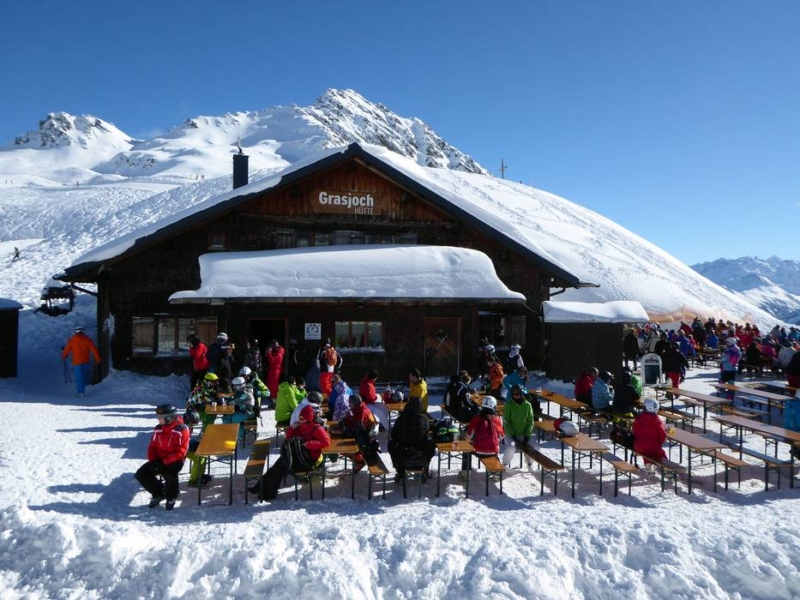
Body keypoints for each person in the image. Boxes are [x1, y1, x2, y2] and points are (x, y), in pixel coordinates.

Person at [249, 404, 331, 501]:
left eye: (302, 418)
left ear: (309, 419)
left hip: (307, 459)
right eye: (299, 418)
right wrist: (293, 428)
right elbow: (288, 438)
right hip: (296, 455)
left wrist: (309, 444)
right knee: (275, 467)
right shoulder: (299, 426)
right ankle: (259, 488)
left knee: (279, 469)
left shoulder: (316, 428)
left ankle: (268, 494)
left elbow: (326, 442)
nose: (300, 420)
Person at [135, 404, 190, 510]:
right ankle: (159, 492)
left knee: (169, 473)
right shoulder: (159, 428)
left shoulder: (182, 429)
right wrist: (153, 461)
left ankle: (171, 496)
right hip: (159, 459)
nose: (158, 419)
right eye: (158, 417)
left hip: (176, 459)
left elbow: (181, 451)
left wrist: (164, 462)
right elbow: (152, 447)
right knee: (141, 474)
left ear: (169, 417)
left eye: (161, 417)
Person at [388, 396, 436, 482]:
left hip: (403, 456)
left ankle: (398, 469)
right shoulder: (424, 420)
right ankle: (425, 468)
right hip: (420, 457)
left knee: (391, 444)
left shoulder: (401, 419)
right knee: (430, 443)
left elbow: (393, 435)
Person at [464, 396, 505, 479]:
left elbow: (469, 436)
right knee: (495, 447)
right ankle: (495, 474)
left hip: (478, 450)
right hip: (493, 451)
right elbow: (501, 436)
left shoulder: (476, 418)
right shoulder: (497, 419)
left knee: (466, 450)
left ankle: (466, 473)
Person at [501, 385, 536, 470]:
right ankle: (504, 465)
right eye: (513, 394)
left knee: (535, 447)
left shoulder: (527, 405)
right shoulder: (508, 405)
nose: (515, 396)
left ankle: (529, 463)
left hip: (524, 434)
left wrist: (527, 436)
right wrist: (513, 436)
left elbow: (530, 422)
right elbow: (506, 423)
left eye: (517, 394)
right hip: (511, 434)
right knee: (511, 447)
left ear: (521, 393)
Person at [342, 394, 379, 471]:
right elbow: (355, 422)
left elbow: (358, 427)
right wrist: (347, 419)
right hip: (362, 435)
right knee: (344, 445)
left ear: (356, 403)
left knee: (345, 448)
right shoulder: (358, 409)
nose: (350, 405)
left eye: (351, 403)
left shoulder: (363, 411)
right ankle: (359, 460)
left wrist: (348, 428)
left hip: (366, 439)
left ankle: (360, 461)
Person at [62, 326, 100, 397]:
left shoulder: (72, 340)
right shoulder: (88, 340)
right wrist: (97, 359)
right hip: (86, 361)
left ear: (76, 331)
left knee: (79, 377)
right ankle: (82, 391)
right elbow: (94, 350)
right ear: (83, 331)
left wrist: (64, 356)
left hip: (77, 361)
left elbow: (67, 349)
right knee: (83, 376)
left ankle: (80, 392)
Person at [633, 398, 667, 473]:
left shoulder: (639, 418)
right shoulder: (658, 422)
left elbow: (634, 430)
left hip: (638, 446)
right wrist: (658, 443)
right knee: (661, 453)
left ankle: (648, 465)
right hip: (653, 448)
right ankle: (667, 471)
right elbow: (662, 436)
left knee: (645, 450)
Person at [221, 376, 254, 445]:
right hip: (245, 411)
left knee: (226, 418)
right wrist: (227, 397)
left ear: (239, 385)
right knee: (233, 419)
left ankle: (227, 435)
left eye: (235, 386)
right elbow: (235, 397)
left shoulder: (244, 393)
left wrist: (225, 400)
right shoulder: (244, 390)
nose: (234, 387)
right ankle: (240, 436)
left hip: (246, 413)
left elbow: (232, 401)